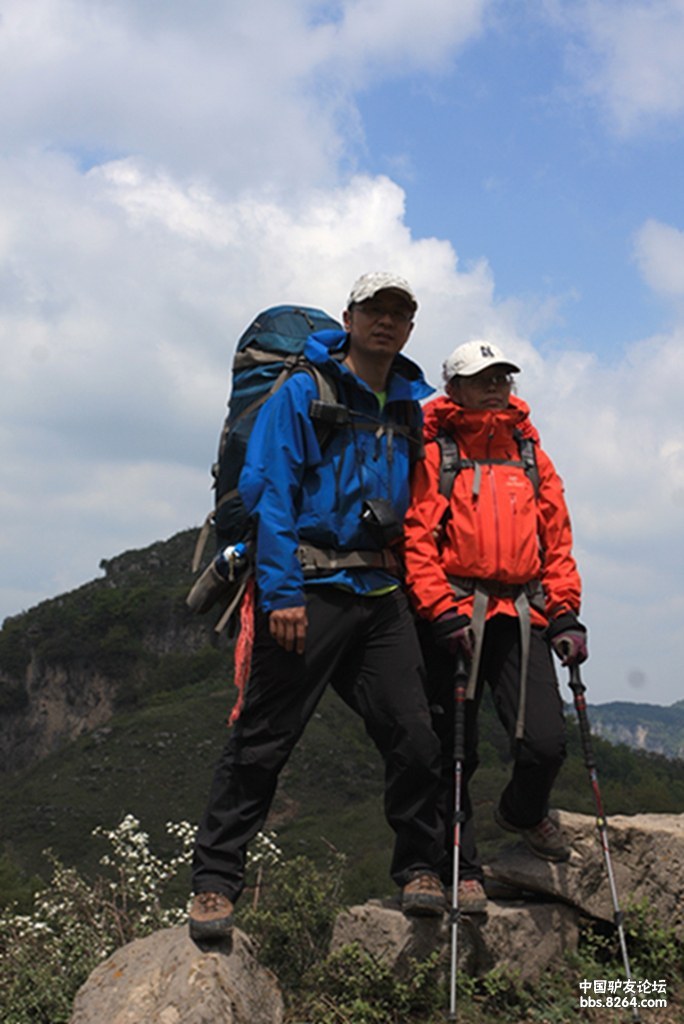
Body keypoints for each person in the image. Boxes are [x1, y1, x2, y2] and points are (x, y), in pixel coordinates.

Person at [189, 272, 447, 940]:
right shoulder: (305, 390)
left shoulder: (408, 404)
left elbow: (419, 505)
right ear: (350, 316)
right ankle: (215, 884)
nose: (386, 322)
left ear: (411, 327)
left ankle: (420, 869)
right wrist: (279, 593)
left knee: (416, 736)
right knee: (264, 741)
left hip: (381, 591)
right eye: (374, 309)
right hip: (307, 587)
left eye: (399, 312)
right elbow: (270, 491)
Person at [403, 339, 588, 915]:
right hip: (456, 612)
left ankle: (523, 812)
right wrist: (438, 609)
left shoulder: (530, 452)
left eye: (502, 377)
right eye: (481, 378)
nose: (494, 387)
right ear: (452, 386)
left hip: (522, 614)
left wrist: (565, 611)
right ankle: (462, 867)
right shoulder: (437, 449)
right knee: (456, 749)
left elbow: (556, 539)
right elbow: (416, 535)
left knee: (544, 744)